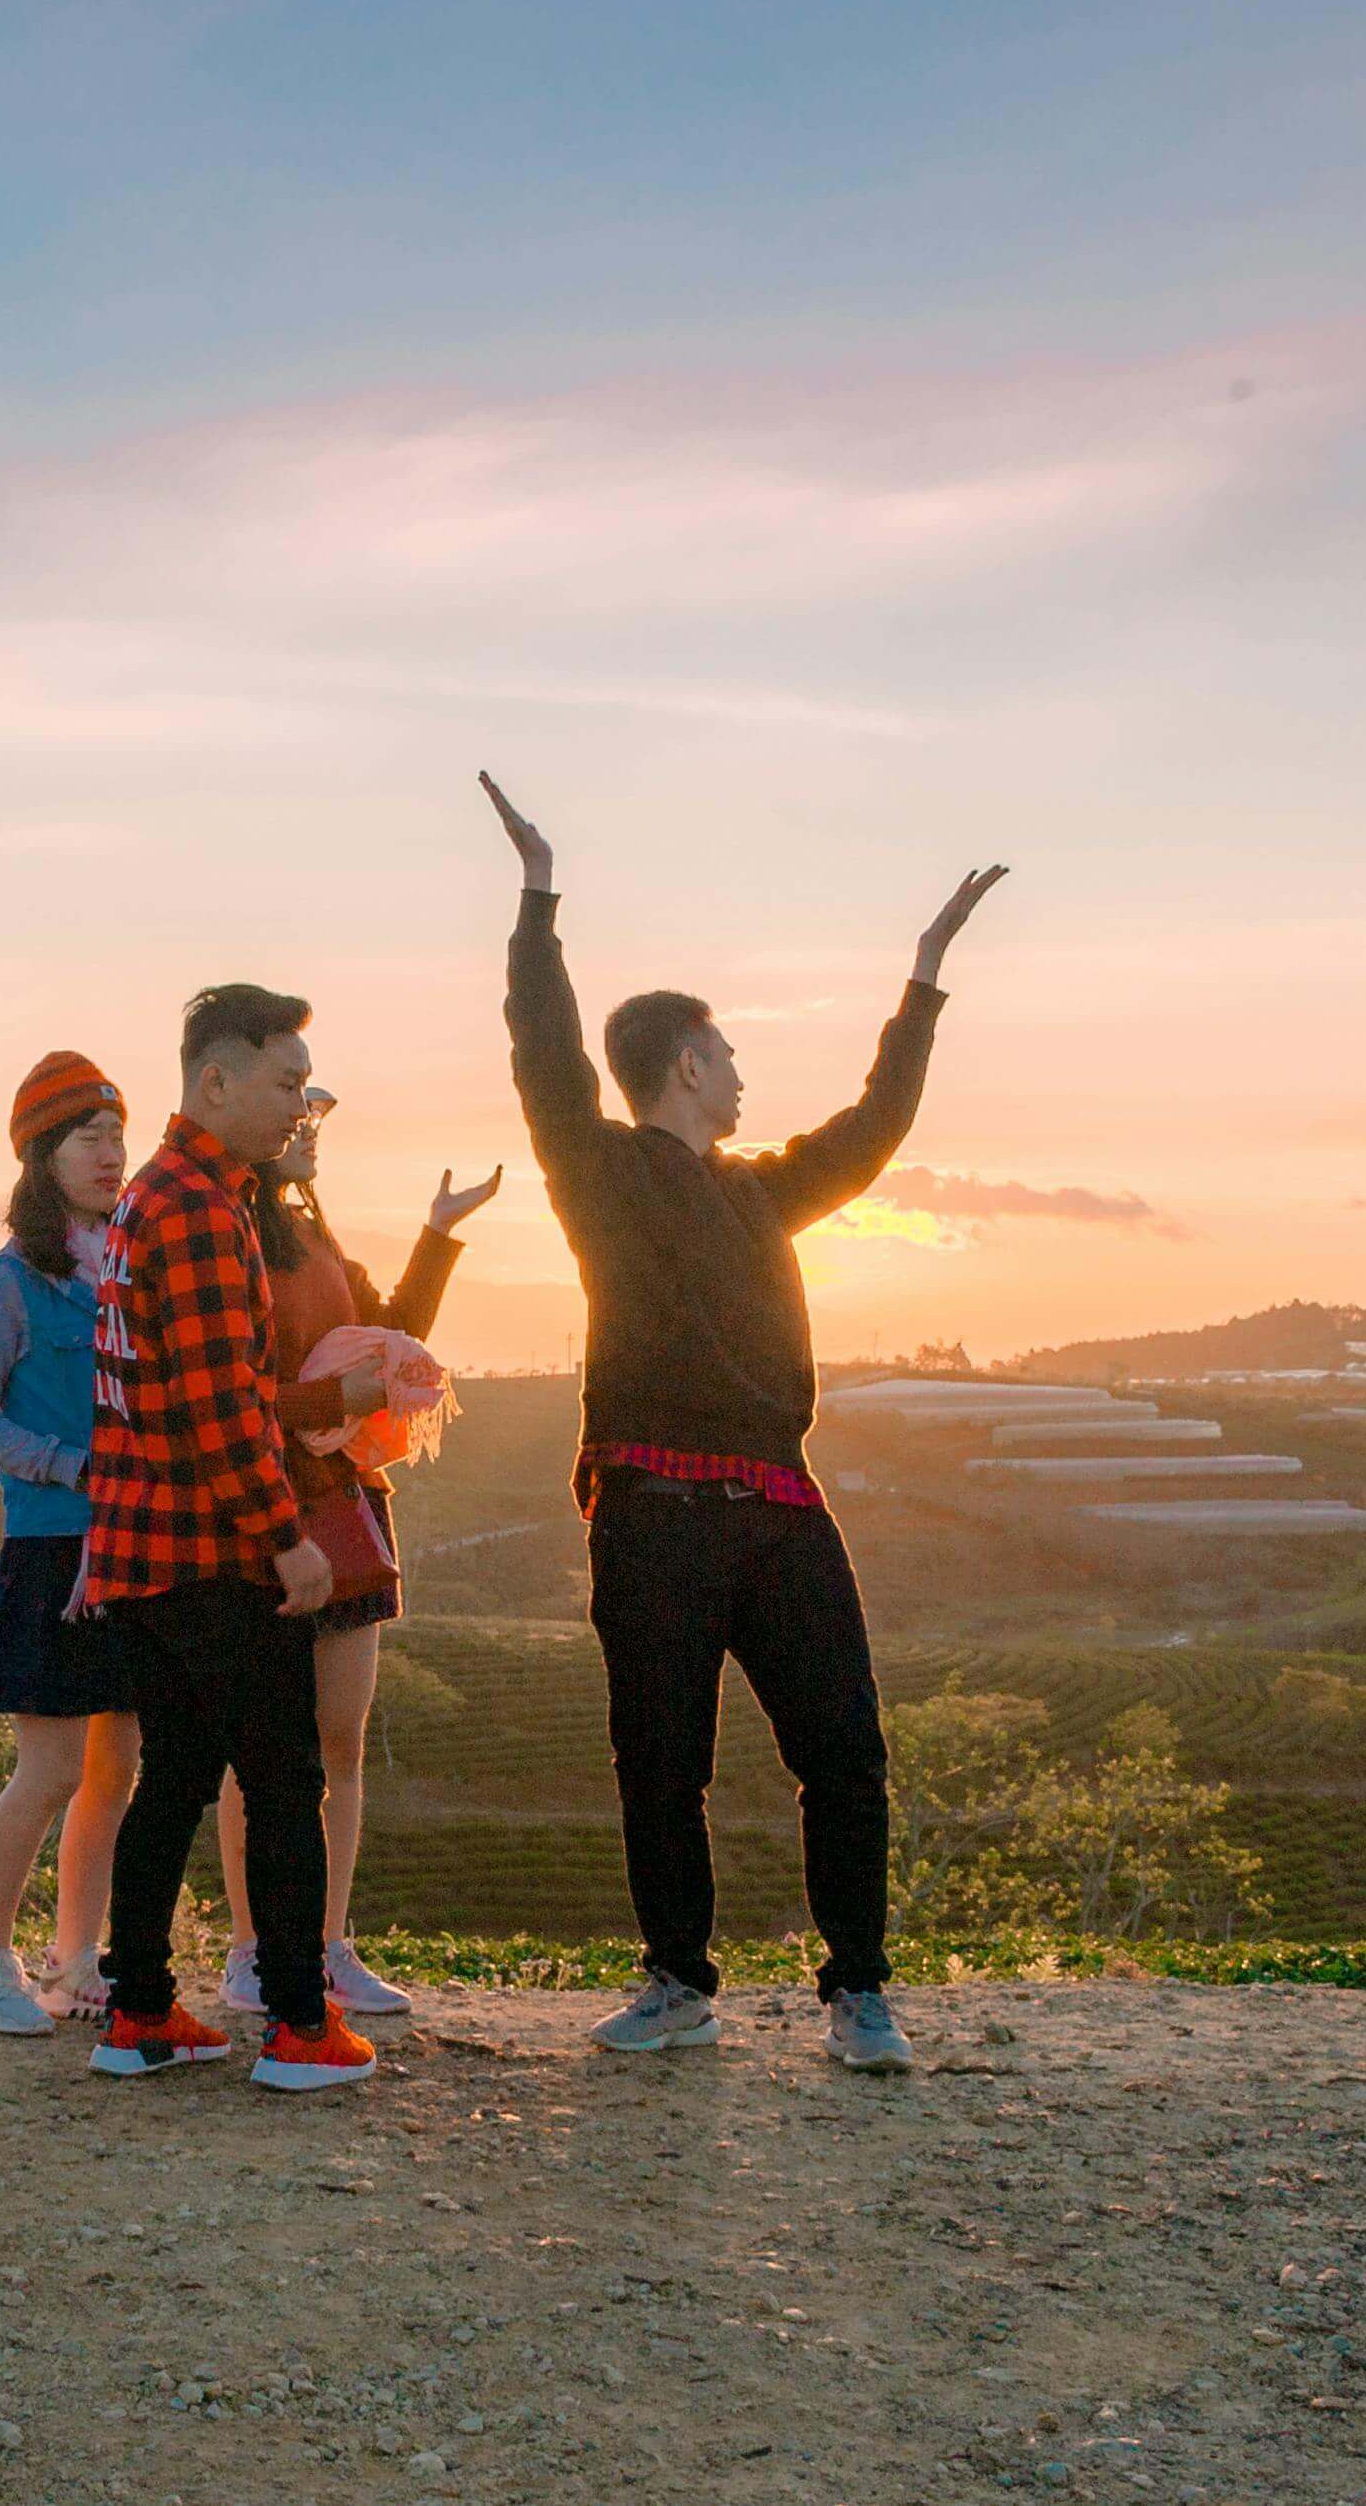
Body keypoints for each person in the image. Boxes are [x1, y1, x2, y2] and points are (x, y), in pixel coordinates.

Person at [481, 773, 1006, 2074]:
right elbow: (544, 1057)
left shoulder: (763, 1193)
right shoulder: (597, 1170)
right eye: (724, 1052)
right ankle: (677, 1981)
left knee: (845, 1748)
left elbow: (877, 1125)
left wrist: (926, 974)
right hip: (651, 1506)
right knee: (660, 1760)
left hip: (778, 1499)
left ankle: (859, 1989)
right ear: (681, 1065)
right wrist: (538, 902)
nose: (740, 1072)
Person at [76, 984, 376, 2094]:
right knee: (284, 1778)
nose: (299, 1105)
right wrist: (286, 1538)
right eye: (286, 1082)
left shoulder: (154, 1196)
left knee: (174, 1778)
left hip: (138, 1548)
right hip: (206, 1552)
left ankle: (140, 2010)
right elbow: (219, 1406)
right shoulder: (201, 1212)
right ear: (216, 1081)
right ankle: (299, 2025)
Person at [207, 1091, 500, 2023]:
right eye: (294, 1113)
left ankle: (331, 1944)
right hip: (263, 1511)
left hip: (346, 1508)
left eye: (317, 1117)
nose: (307, 1130)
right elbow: (237, 1396)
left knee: (341, 1741)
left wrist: (438, 1235)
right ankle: (253, 1950)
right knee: (257, 1749)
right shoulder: (229, 1245)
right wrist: (329, 1399)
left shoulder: (322, 1245)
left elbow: (394, 1334)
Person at [0, 1052, 143, 2037]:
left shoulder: (128, 1267)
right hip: (52, 1551)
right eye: (86, 1139)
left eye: (116, 1135)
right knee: (51, 1770)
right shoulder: (13, 1280)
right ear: (40, 1155)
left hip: (132, 1549)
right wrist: (67, 1464)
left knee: (116, 1769)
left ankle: (78, 1960)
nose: (109, 1154)